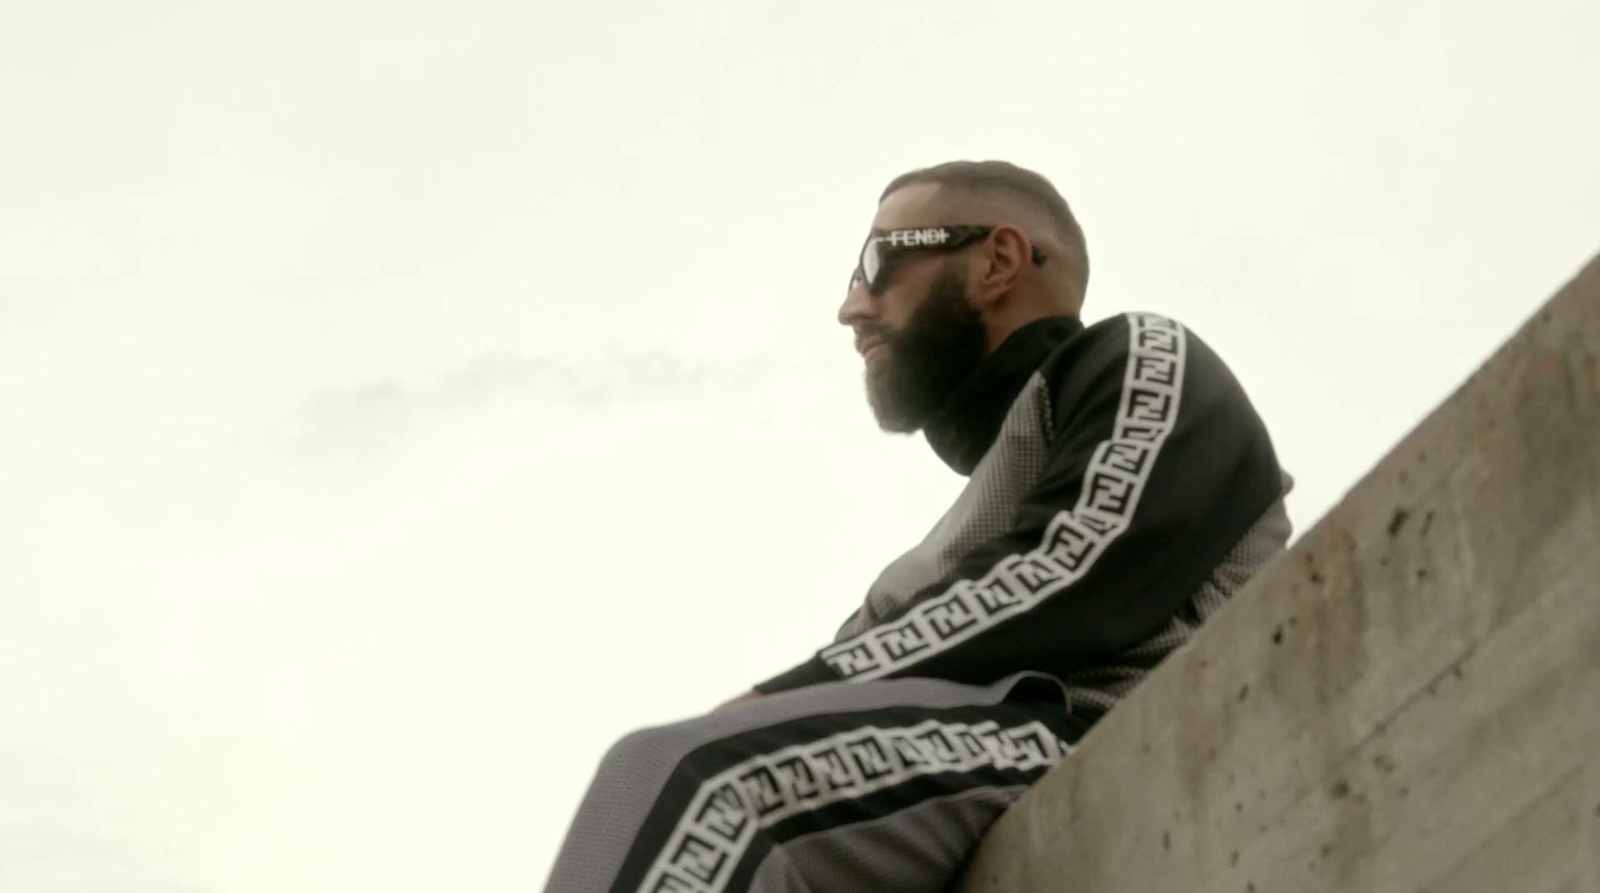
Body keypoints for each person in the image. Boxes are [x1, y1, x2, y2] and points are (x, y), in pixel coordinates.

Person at [541, 160, 1293, 893]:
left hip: (1093, 740)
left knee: (690, 781)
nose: (852, 306)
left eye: (878, 262)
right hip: (951, 771)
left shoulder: (1140, 356)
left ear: (999, 260)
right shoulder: (942, 544)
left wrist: (800, 686)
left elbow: (1074, 563)